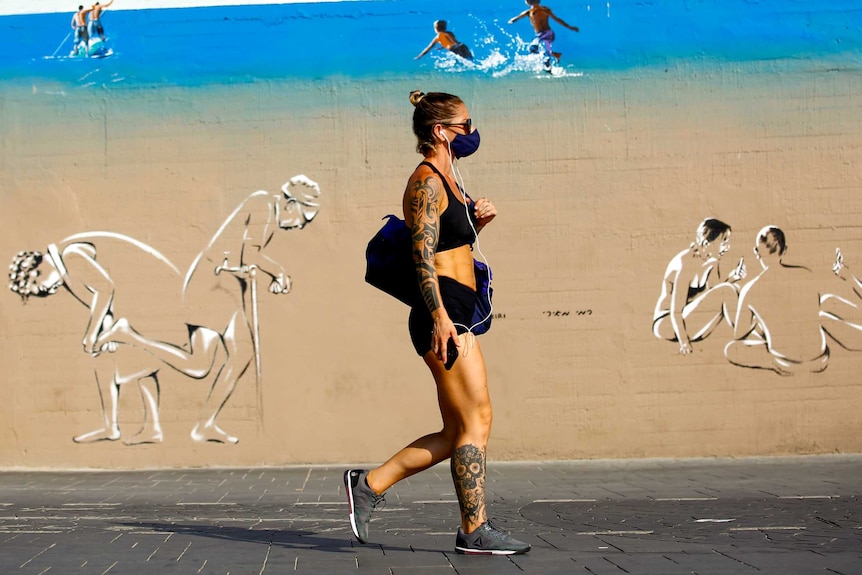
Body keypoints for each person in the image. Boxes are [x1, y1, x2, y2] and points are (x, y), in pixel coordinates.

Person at [344, 91, 530, 556]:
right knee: (477, 420)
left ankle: (369, 483)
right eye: (465, 124)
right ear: (441, 131)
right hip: (441, 313)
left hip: (457, 309)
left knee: (458, 430)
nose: (472, 131)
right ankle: (474, 530)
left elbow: (452, 248)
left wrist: (478, 224)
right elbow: (422, 257)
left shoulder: (450, 178)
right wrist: (441, 318)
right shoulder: (425, 183)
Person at [97, 176, 321, 444]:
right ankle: (128, 335)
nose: (300, 226)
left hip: (227, 286)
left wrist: (254, 271)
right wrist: (279, 273)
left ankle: (205, 425)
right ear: (291, 204)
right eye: (303, 219)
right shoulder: (264, 205)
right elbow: (249, 255)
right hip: (213, 285)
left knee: (241, 355)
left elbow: (243, 255)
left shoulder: (267, 211)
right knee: (198, 366)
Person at [8, 240, 174, 445]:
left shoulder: (71, 256)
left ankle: (122, 428)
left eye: (40, 287)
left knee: (125, 362)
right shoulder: (66, 271)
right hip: (128, 311)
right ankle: (138, 427)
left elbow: (105, 290)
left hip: (145, 301)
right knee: (130, 364)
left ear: (34, 270)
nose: (48, 291)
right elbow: (100, 301)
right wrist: (107, 330)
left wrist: (91, 334)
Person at [724, 226, 829, 375]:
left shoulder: (750, 289)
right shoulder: (807, 274)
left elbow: (739, 334)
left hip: (786, 363)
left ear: (756, 252)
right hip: (819, 359)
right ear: (785, 249)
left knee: (732, 349)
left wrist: (759, 319)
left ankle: (774, 364)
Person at [653, 218, 746, 354]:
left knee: (733, 289)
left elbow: (711, 295)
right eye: (724, 241)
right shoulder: (687, 261)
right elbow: (676, 310)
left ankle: (746, 333)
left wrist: (733, 278)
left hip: (688, 319)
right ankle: (745, 336)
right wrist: (684, 342)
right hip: (668, 323)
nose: (727, 247)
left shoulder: (712, 261)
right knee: (727, 290)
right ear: (707, 242)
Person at [508, 0, 578, 72]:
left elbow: (557, 19)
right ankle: (555, 56)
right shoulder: (529, 12)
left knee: (533, 48)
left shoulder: (544, 10)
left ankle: (551, 62)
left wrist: (570, 27)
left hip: (547, 34)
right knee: (543, 55)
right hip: (541, 35)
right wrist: (513, 20)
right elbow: (518, 17)